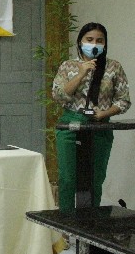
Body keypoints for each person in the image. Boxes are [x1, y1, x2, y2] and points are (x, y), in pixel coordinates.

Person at [52, 22, 130, 211]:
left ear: (105, 44)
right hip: (71, 125)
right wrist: (80, 73)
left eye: (99, 40)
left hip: (100, 127)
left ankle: (90, 222)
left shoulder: (114, 67)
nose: (94, 44)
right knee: (68, 178)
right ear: (80, 42)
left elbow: (124, 100)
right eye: (89, 39)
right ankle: (67, 222)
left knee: (96, 178)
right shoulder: (68, 66)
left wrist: (105, 113)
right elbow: (58, 96)